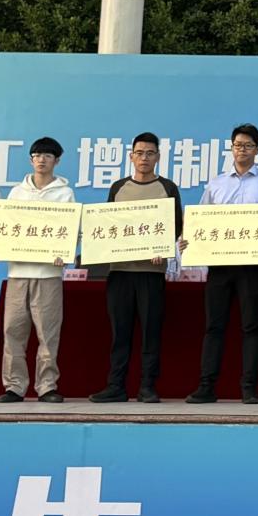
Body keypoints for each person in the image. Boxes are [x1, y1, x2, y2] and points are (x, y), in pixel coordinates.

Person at [185, 124, 258, 405]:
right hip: (220, 265)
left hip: (252, 265)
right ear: (231, 148)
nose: (242, 150)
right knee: (214, 326)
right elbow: (200, 220)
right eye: (238, 145)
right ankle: (206, 386)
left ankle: (249, 388)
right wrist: (188, 240)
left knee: (251, 326)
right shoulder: (216, 184)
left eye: (248, 145)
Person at [89, 132, 183, 404]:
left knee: (151, 332)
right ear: (131, 156)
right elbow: (108, 225)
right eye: (140, 153)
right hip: (120, 271)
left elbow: (175, 225)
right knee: (120, 332)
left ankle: (147, 387)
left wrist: (163, 247)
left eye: (150, 153)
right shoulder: (119, 187)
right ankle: (116, 386)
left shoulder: (167, 187)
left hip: (151, 273)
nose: (144, 158)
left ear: (158, 157)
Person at [0, 137, 75, 404]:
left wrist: (64, 252)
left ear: (57, 161)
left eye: (48, 156)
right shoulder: (16, 193)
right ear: (31, 160)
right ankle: (14, 386)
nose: (42, 160)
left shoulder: (65, 194)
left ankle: (47, 386)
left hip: (49, 274)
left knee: (48, 334)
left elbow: (71, 231)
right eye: (37, 155)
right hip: (18, 272)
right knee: (13, 331)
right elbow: (4, 227)